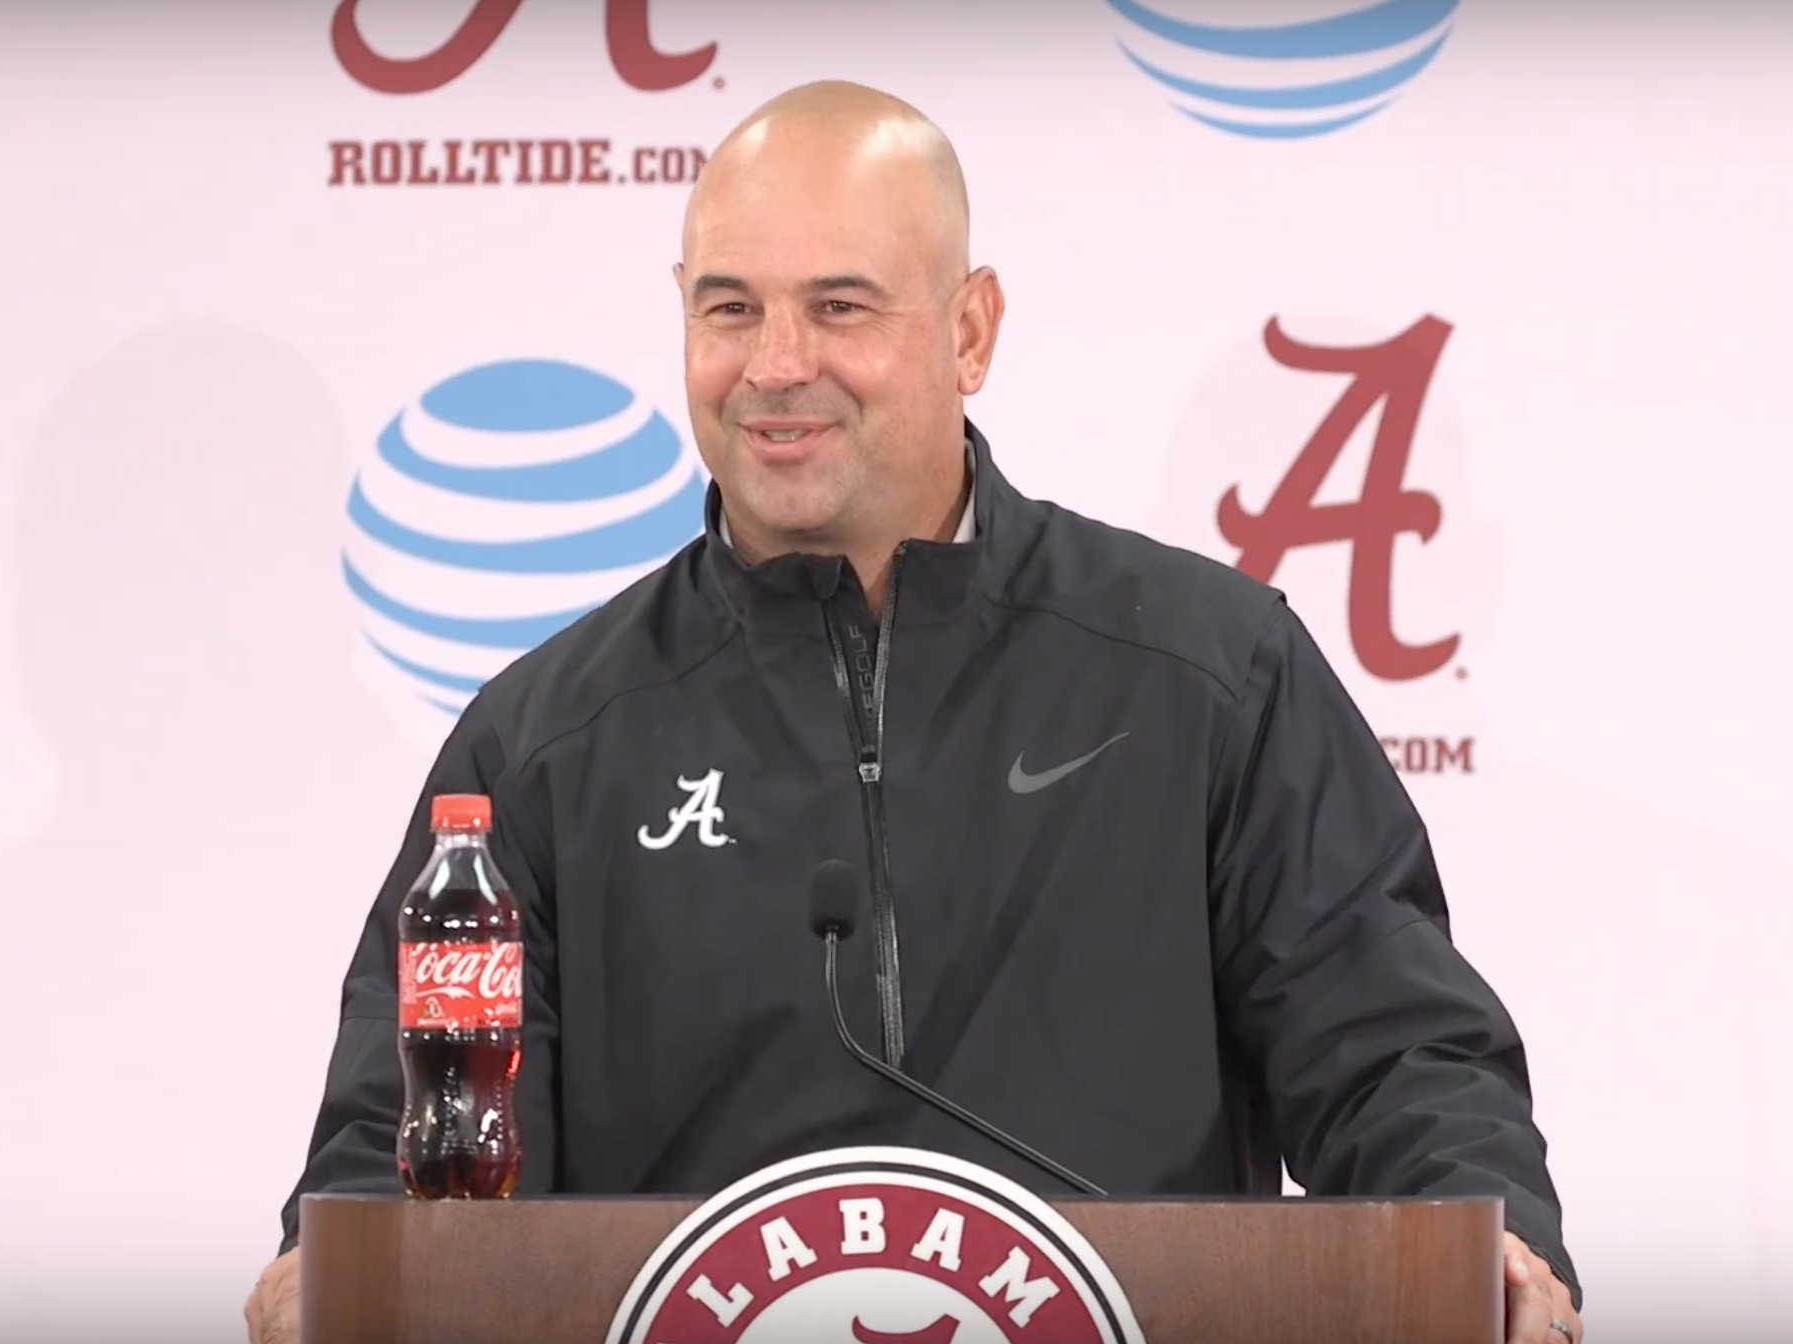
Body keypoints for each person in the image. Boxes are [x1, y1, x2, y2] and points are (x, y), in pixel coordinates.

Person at [244, 80, 1583, 1344]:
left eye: (838, 308)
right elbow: (420, 1121)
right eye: (728, 309)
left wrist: (1494, 1242)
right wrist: (348, 1262)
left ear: (968, 331)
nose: (774, 365)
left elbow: (1391, 1049)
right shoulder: (542, 743)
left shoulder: (1207, 673)